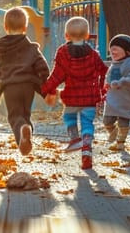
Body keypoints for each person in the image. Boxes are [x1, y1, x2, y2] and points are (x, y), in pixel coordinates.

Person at [0, 7, 51, 156]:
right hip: (28, 86)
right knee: (25, 115)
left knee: (14, 116)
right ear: (25, 27)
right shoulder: (32, 47)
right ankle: (26, 130)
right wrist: (47, 87)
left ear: (5, 27)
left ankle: (21, 133)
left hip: (10, 87)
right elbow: (43, 67)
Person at [43, 17, 109, 170]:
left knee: (68, 117)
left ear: (66, 35)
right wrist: (102, 88)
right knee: (87, 123)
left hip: (71, 98)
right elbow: (104, 71)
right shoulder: (93, 54)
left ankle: (74, 139)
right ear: (87, 35)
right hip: (90, 99)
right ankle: (86, 149)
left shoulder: (63, 53)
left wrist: (46, 89)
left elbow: (57, 76)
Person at [102, 34, 130, 151]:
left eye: (117, 47)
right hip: (112, 98)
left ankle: (120, 143)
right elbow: (108, 76)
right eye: (111, 47)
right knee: (107, 121)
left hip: (125, 99)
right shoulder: (114, 63)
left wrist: (122, 82)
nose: (113, 50)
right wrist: (106, 83)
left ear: (127, 51)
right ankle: (114, 132)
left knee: (123, 122)